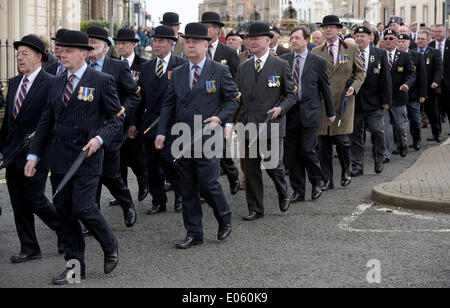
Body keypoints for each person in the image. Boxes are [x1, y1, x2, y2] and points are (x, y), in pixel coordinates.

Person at [24, 30, 121, 285]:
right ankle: (75, 269)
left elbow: (116, 118)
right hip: (59, 158)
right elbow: (46, 121)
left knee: (84, 207)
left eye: (67, 50)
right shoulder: (56, 82)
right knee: (65, 214)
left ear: (84, 53)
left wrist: (99, 139)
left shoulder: (101, 80)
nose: (61, 54)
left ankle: (110, 243)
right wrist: (33, 155)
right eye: (60, 49)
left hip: (87, 156)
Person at [155, 23, 239, 249]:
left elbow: (233, 100)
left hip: (208, 136)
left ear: (206, 44)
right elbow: (168, 105)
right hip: (181, 138)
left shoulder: (219, 71)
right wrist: (162, 132)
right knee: (187, 186)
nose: (190, 46)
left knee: (208, 183)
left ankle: (224, 217)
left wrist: (219, 118)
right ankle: (194, 232)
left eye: (195, 42)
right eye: (187, 42)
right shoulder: (179, 72)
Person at [0, 35, 62, 264]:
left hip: (38, 153)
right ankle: (29, 247)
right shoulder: (15, 82)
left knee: (34, 198)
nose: (20, 58)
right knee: (18, 202)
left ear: (39, 57)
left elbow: (56, 118)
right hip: (13, 153)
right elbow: (9, 121)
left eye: (25, 53)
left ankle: (64, 229)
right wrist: (2, 147)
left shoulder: (51, 82)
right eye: (18, 54)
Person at [236, 22, 296, 221]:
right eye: (249, 39)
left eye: (256, 39)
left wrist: (281, 108)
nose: (251, 42)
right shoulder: (243, 67)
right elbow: (237, 99)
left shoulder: (280, 65)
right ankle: (256, 209)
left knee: (273, 166)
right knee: (251, 170)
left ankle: (283, 191)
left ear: (267, 41)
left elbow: (291, 95)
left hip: (271, 124)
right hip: (249, 125)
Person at [86, 26, 139, 229]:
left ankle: (127, 205)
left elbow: (135, 95)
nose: (90, 46)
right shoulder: (82, 67)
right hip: (88, 131)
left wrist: (121, 112)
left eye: (95, 42)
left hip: (112, 131)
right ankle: (92, 218)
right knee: (91, 177)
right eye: (88, 42)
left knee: (109, 174)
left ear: (106, 47)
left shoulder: (117, 67)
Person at [131, 26, 187, 215]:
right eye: (155, 41)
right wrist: (134, 123)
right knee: (152, 164)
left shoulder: (181, 65)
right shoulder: (146, 67)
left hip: (173, 123)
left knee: (170, 161)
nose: (156, 45)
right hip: (149, 124)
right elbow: (140, 99)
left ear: (171, 45)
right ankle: (158, 200)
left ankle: (180, 194)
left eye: (161, 42)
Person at [281, 26, 335, 202]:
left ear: (306, 40)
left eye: (297, 37)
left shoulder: (317, 61)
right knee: (292, 153)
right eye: (292, 38)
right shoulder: (284, 61)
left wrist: (331, 112)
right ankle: (298, 190)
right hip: (290, 114)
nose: (293, 41)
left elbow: (325, 88)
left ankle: (316, 182)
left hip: (310, 112)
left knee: (308, 150)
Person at [312, 15, 366, 191]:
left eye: (331, 27)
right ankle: (327, 179)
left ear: (339, 29)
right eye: (325, 27)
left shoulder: (350, 48)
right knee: (323, 143)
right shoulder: (316, 51)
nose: (327, 29)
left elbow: (360, 72)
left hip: (344, 101)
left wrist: (355, 87)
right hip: (322, 104)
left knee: (342, 141)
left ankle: (346, 171)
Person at [201, 12, 241, 195]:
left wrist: (230, 118)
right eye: (204, 26)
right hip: (201, 107)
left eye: (209, 27)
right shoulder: (198, 50)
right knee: (201, 150)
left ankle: (232, 176)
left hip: (221, 109)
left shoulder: (229, 53)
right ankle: (205, 188)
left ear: (217, 30)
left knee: (221, 150)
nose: (206, 30)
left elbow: (236, 84)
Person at [112, 27, 149, 206]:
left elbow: (143, 95)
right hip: (118, 117)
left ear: (134, 45)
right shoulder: (113, 65)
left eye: (125, 43)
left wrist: (137, 120)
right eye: (119, 43)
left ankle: (144, 183)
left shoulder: (143, 64)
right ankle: (122, 194)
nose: (121, 46)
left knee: (136, 156)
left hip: (137, 116)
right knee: (118, 158)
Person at [351, 26, 392, 176]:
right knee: (355, 135)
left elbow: (386, 79)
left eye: (363, 36)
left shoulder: (380, 54)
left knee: (377, 131)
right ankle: (357, 165)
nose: (360, 38)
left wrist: (386, 100)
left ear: (371, 38)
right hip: (355, 102)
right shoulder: (350, 53)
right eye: (357, 36)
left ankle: (379, 159)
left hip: (375, 102)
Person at [382, 29, 415, 161]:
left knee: (400, 126)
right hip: (382, 98)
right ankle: (385, 154)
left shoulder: (404, 56)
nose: (388, 41)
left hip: (399, 97)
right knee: (382, 129)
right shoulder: (379, 55)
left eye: (391, 38)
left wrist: (407, 84)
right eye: (386, 38)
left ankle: (402, 144)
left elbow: (411, 73)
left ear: (396, 41)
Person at [397, 34, 427, 151]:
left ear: (409, 43)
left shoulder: (417, 56)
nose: (401, 43)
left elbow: (422, 77)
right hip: (398, 95)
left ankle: (416, 140)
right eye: (399, 41)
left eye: (403, 41)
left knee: (415, 120)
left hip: (413, 95)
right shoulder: (393, 56)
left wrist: (422, 94)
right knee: (399, 122)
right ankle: (400, 145)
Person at [417, 30, 444, 143]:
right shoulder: (413, 52)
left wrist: (436, 82)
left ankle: (436, 133)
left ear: (428, 40)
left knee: (432, 111)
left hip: (430, 88)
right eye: (418, 39)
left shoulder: (435, 52)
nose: (419, 41)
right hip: (416, 89)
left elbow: (439, 69)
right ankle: (415, 138)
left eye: (422, 39)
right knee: (415, 113)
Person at [429, 25, 450, 129]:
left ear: (444, 32)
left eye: (439, 31)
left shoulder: (449, 44)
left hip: (447, 81)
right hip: (434, 82)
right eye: (435, 31)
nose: (437, 33)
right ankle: (436, 132)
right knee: (434, 108)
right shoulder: (431, 45)